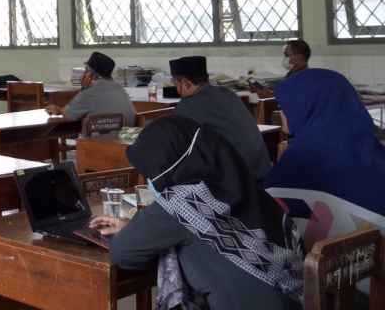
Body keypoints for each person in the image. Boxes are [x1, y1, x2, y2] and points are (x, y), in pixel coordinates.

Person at [91, 116, 303, 309]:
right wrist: (134, 226)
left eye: (150, 173)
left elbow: (124, 253)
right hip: (291, 299)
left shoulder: (184, 201)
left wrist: (133, 232)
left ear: (167, 166)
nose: (150, 181)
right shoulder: (238, 180)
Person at [266, 69, 385, 217]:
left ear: (305, 107)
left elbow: (270, 216)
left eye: (282, 107)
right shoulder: (372, 149)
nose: (281, 113)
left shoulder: (299, 160)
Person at [170, 56, 271, 182]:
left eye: (175, 83)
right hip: (261, 171)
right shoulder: (227, 93)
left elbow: (179, 147)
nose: (176, 89)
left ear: (186, 83)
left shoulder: (188, 105)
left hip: (237, 182)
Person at [45, 51, 136, 125]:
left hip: (103, 142)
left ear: (89, 74)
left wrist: (58, 110)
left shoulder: (90, 91)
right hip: (125, 141)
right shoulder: (119, 88)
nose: (83, 73)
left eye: (86, 70)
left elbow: (68, 115)